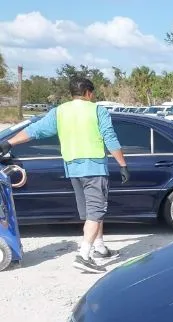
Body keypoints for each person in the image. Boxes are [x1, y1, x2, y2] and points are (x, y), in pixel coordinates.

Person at [0, 77, 130, 273]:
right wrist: (122, 164)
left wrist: (9, 143)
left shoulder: (59, 111)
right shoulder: (97, 110)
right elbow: (110, 137)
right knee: (96, 211)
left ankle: (100, 247)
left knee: (91, 212)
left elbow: (36, 130)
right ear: (89, 93)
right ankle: (83, 256)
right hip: (94, 168)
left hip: (73, 169)